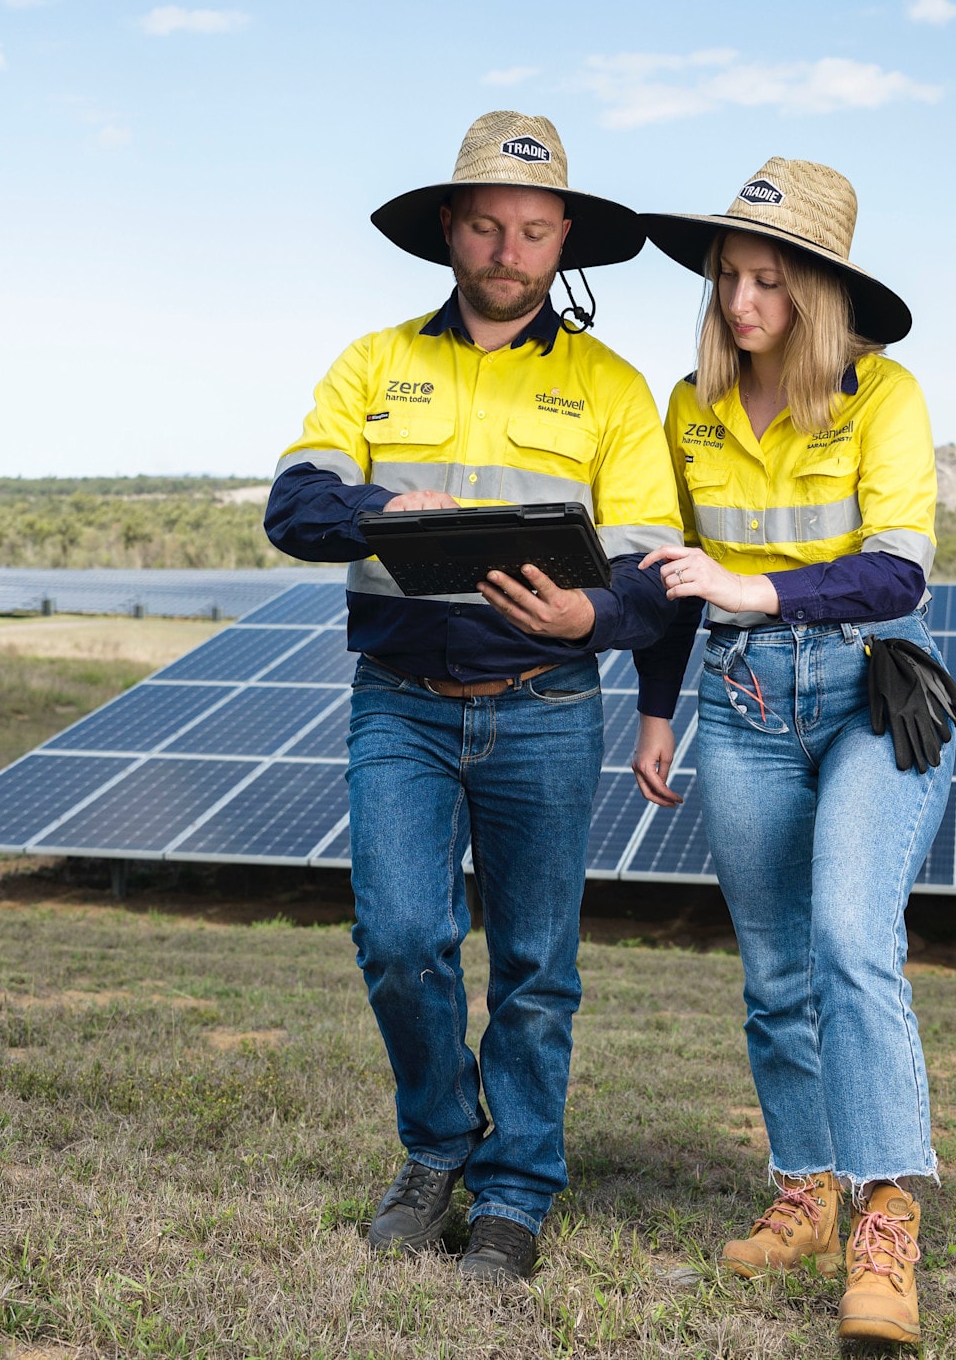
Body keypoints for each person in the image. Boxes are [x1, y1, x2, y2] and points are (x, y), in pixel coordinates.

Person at [262, 111, 682, 1282]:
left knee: (537, 969)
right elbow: (293, 507)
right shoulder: (371, 363)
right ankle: (438, 1143)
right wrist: (375, 515)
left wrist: (588, 620)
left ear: (564, 245)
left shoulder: (610, 389)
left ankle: (515, 1193)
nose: (509, 250)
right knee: (401, 940)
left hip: (545, 705)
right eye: (488, 225)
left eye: (534, 231)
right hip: (397, 701)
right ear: (451, 230)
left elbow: (651, 571)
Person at [628, 157, 956, 1345]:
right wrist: (659, 711)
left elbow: (899, 568)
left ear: (820, 290)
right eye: (728, 277)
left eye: (767, 281)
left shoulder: (887, 396)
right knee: (772, 971)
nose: (739, 303)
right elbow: (675, 584)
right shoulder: (691, 406)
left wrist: (752, 588)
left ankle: (886, 1222)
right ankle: (803, 1194)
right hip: (736, 701)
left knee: (845, 941)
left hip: (873, 694)